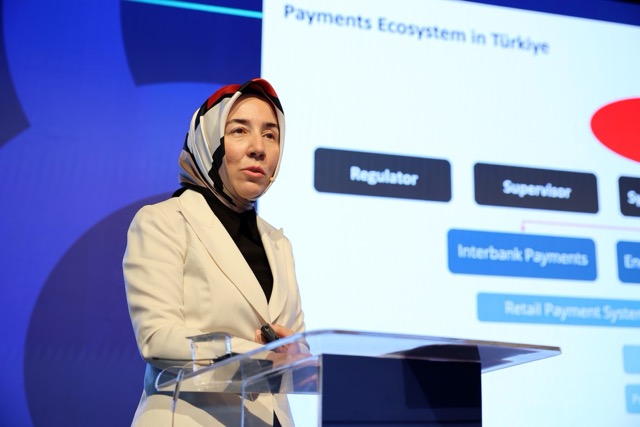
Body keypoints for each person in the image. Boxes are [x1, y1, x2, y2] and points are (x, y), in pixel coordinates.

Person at [123, 78, 306, 426]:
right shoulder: (164, 221)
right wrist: (254, 354)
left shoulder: (279, 243)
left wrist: (297, 353)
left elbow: (296, 342)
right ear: (209, 141)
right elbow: (156, 339)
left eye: (271, 135)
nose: (259, 148)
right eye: (239, 130)